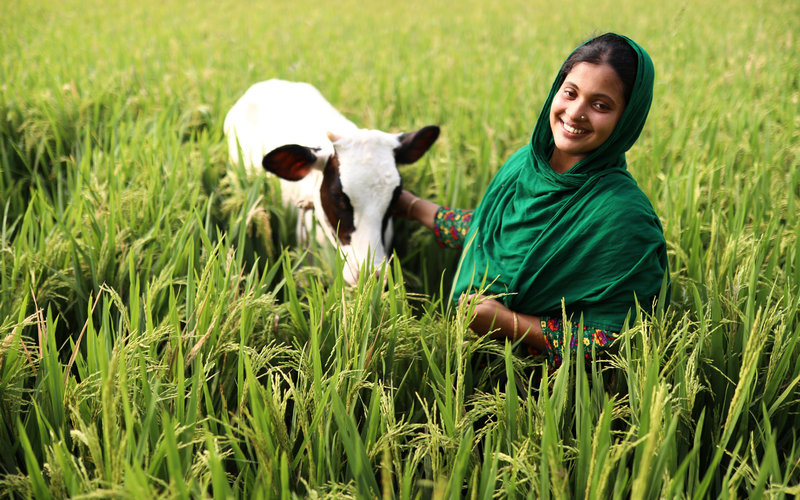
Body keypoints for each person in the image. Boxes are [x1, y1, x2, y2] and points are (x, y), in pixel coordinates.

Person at [394, 33, 669, 368]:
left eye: (601, 105)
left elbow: (613, 339)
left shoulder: (622, 216)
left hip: (542, 396)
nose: (576, 112)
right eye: (570, 93)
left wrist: (510, 324)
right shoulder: (524, 166)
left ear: (627, 119)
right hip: (460, 369)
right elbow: (490, 234)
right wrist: (409, 205)